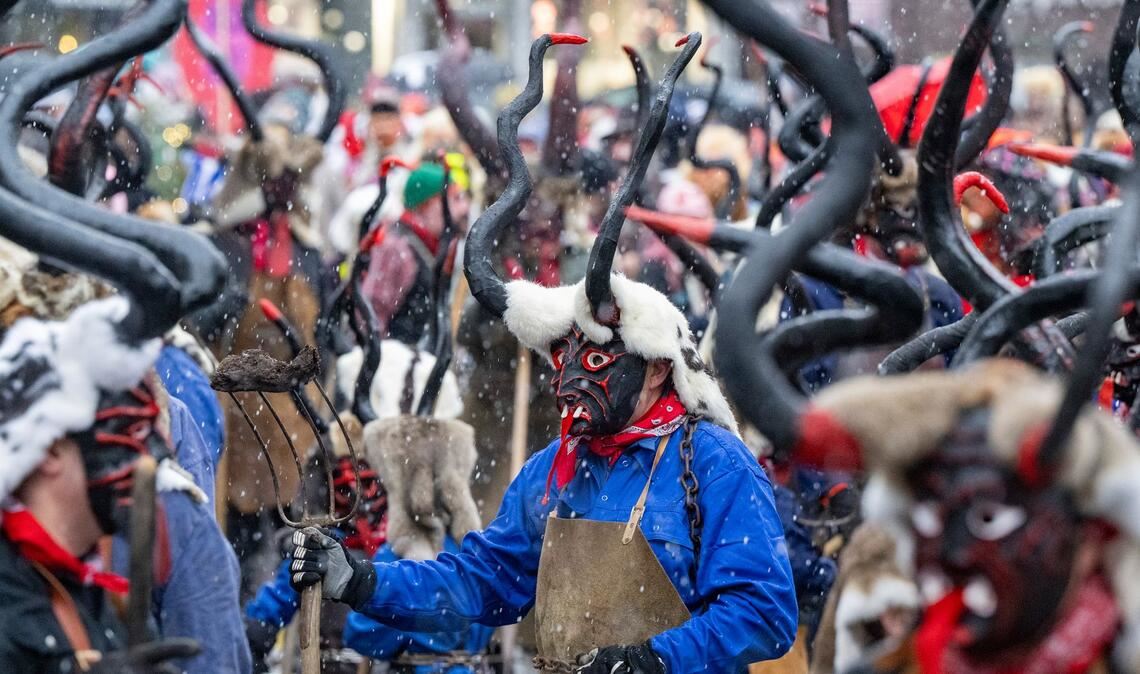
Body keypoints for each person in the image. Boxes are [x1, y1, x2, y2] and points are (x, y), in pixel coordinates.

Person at [290, 31, 797, 674]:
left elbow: (764, 612)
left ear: (656, 369)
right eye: (566, 360)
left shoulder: (715, 464)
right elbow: (479, 584)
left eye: (598, 362)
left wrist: (655, 660)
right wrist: (362, 580)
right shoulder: (553, 472)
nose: (572, 380)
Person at [360, 159, 470, 344]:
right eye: (455, 198)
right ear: (427, 204)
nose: (465, 208)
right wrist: (385, 357)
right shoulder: (396, 248)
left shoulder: (436, 247)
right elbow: (370, 318)